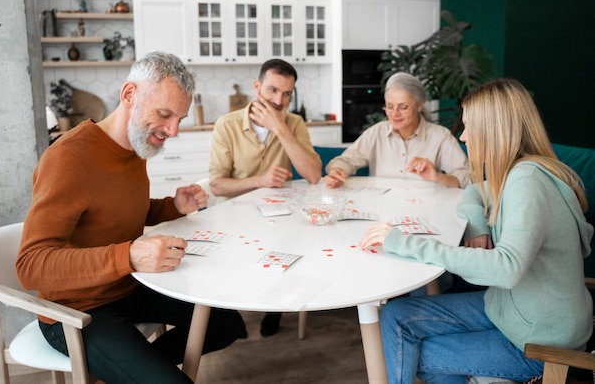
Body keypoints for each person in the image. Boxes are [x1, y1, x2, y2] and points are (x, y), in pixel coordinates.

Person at [16, 51, 247, 384]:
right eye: (165, 114)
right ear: (129, 95)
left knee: (227, 324)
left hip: (130, 287)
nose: (173, 130)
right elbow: (30, 267)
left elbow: (113, 208)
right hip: (78, 311)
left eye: (179, 119)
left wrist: (173, 206)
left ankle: (133, 372)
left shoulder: (136, 147)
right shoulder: (68, 159)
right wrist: (126, 255)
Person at [358, 78, 594, 383]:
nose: (464, 136)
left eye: (469, 127)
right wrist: (479, 228)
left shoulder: (527, 181)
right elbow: (474, 192)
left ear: (494, 130)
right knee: (395, 316)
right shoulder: (518, 172)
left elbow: (506, 269)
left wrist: (403, 242)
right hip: (512, 308)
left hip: (539, 341)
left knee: (412, 350)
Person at [209, 58, 322, 336]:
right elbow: (216, 185)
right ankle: (231, 311)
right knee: (233, 261)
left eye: (286, 94)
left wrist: (280, 127)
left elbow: (314, 176)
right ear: (257, 87)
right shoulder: (227, 125)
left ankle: (276, 308)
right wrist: (260, 181)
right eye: (272, 90)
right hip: (236, 216)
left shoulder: (294, 123)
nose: (278, 100)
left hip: (282, 217)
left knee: (297, 246)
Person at [323, 72, 471, 189]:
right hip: (383, 210)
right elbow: (344, 161)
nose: (394, 114)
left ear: (420, 105)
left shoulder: (440, 136)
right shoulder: (376, 133)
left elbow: (468, 177)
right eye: (389, 106)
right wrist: (338, 172)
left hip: (424, 210)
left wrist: (437, 177)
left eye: (403, 107)